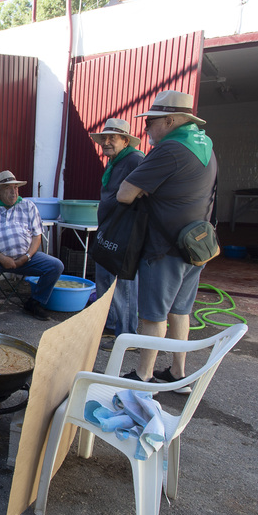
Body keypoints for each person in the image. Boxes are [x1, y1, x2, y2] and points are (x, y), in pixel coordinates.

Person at [116, 90, 218, 393]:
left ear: (171, 120)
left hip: (163, 247)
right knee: (180, 311)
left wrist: (145, 190)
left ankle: (144, 376)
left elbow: (124, 194)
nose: (146, 128)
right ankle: (177, 373)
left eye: (151, 122)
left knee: (153, 315)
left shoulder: (170, 149)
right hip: (194, 243)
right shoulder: (206, 147)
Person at [0, 171, 64, 321]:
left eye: (16, 187)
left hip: (26, 258)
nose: (14, 192)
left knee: (55, 265)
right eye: (8, 188)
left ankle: (35, 303)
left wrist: (27, 257)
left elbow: (37, 236)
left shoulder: (28, 206)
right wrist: (2, 258)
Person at [90, 118, 144, 350]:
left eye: (113, 137)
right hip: (108, 229)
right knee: (103, 279)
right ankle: (110, 327)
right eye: (104, 138)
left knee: (124, 285)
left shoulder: (135, 160)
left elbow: (144, 194)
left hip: (124, 232)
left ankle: (127, 335)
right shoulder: (115, 161)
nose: (107, 142)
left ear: (125, 140)